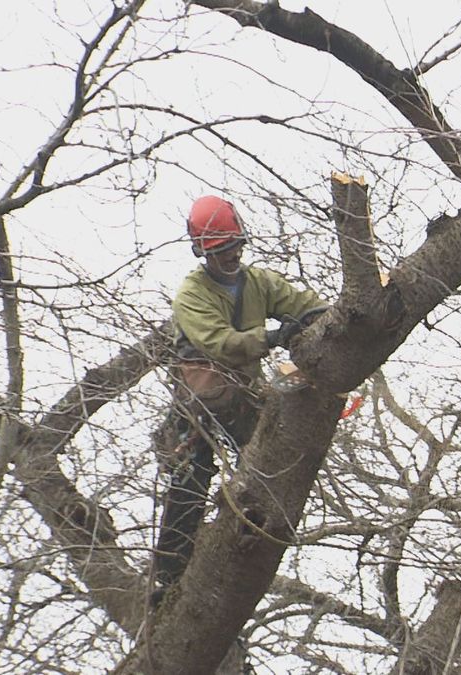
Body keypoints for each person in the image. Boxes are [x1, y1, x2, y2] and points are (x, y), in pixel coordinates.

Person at [152, 195, 328, 596]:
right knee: (191, 478)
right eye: (220, 250)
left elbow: (303, 305)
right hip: (202, 398)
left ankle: (246, 540)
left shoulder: (259, 283)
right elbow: (220, 344)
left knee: (272, 461)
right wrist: (270, 338)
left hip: (244, 396)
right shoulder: (191, 294)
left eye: (234, 247)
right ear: (202, 251)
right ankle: (171, 572)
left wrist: (322, 321)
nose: (230, 256)